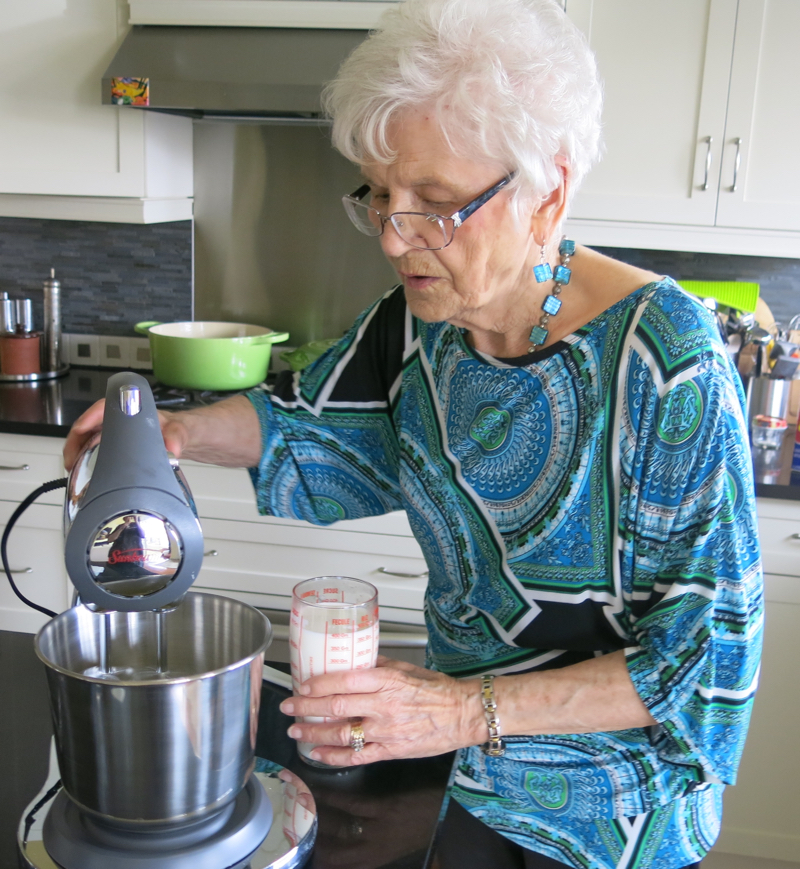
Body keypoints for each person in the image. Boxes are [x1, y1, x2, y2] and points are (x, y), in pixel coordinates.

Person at [64, 1, 763, 866]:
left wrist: (461, 710)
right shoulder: (421, 321)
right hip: (457, 767)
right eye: (379, 195)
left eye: (435, 203)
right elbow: (315, 426)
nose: (396, 240)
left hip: (612, 814)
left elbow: (706, 661)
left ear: (548, 191)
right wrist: (172, 431)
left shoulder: (666, 363)